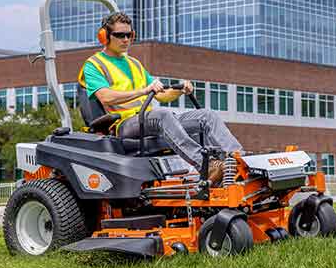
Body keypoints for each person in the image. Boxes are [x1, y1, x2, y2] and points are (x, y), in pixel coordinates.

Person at [78, 12, 243, 185]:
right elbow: (105, 97)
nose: (126, 39)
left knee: (206, 115)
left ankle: (240, 162)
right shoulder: (94, 65)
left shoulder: (134, 64)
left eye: (129, 35)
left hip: (148, 119)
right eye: (120, 35)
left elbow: (161, 94)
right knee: (163, 115)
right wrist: (144, 90)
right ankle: (207, 166)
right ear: (104, 37)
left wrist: (180, 90)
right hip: (122, 125)